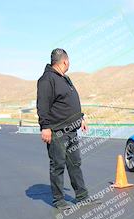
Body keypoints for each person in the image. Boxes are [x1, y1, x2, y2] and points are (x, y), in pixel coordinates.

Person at [37, 48, 94, 210]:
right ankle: (59, 200)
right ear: (64, 61)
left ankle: (82, 196)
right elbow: (42, 105)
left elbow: (69, 102)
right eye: (69, 61)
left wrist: (80, 118)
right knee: (58, 165)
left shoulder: (65, 79)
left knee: (75, 163)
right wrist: (45, 127)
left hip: (71, 131)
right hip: (57, 132)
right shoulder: (47, 79)